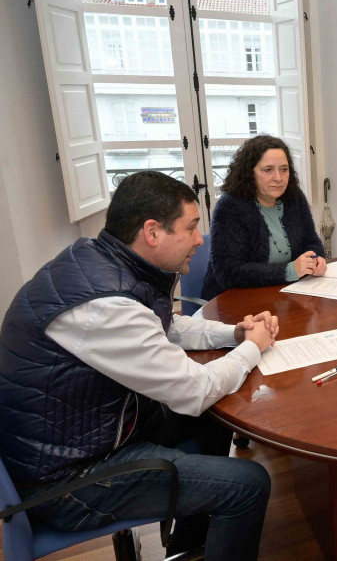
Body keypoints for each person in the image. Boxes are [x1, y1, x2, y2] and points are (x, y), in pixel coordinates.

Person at [0, 171, 276, 561]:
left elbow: (164, 326)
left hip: (81, 438)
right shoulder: (105, 307)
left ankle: (191, 545)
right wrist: (253, 349)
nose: (200, 239)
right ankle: (200, 539)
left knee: (217, 416)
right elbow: (194, 391)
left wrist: (234, 334)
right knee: (248, 483)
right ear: (152, 232)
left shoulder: (100, 262)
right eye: (192, 227)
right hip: (65, 482)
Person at [202, 134, 326, 301]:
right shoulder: (230, 207)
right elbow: (228, 272)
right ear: (249, 173)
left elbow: (311, 242)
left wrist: (316, 260)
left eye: (284, 169)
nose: (278, 178)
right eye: (268, 170)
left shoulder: (294, 198)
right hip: (236, 302)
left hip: (286, 296)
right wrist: (289, 271)